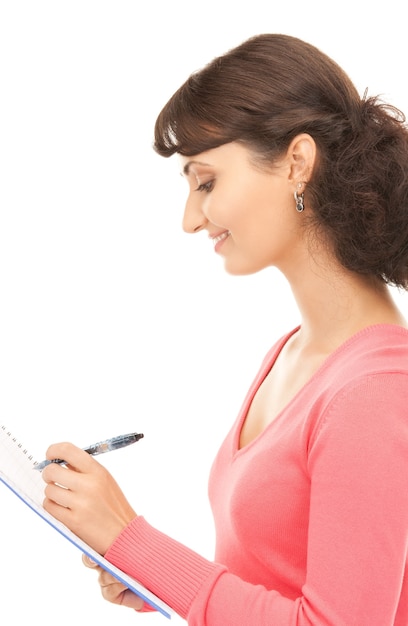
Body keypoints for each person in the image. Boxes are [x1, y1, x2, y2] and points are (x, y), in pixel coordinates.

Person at [41, 34, 408, 625]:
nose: (190, 220)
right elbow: (277, 583)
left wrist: (134, 540)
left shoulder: (375, 391)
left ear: (296, 163)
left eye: (206, 183)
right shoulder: (290, 354)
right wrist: (154, 580)